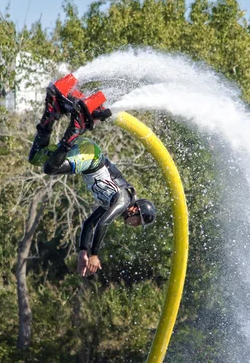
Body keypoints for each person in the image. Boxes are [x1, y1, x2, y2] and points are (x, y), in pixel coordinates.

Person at [28, 74, 156, 277]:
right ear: (135, 210)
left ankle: (52, 112)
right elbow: (103, 223)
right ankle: (76, 126)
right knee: (50, 168)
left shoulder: (112, 204)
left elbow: (89, 223)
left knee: (36, 157)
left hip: (88, 158)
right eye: (138, 221)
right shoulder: (123, 199)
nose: (134, 225)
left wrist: (83, 252)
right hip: (91, 157)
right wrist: (95, 254)